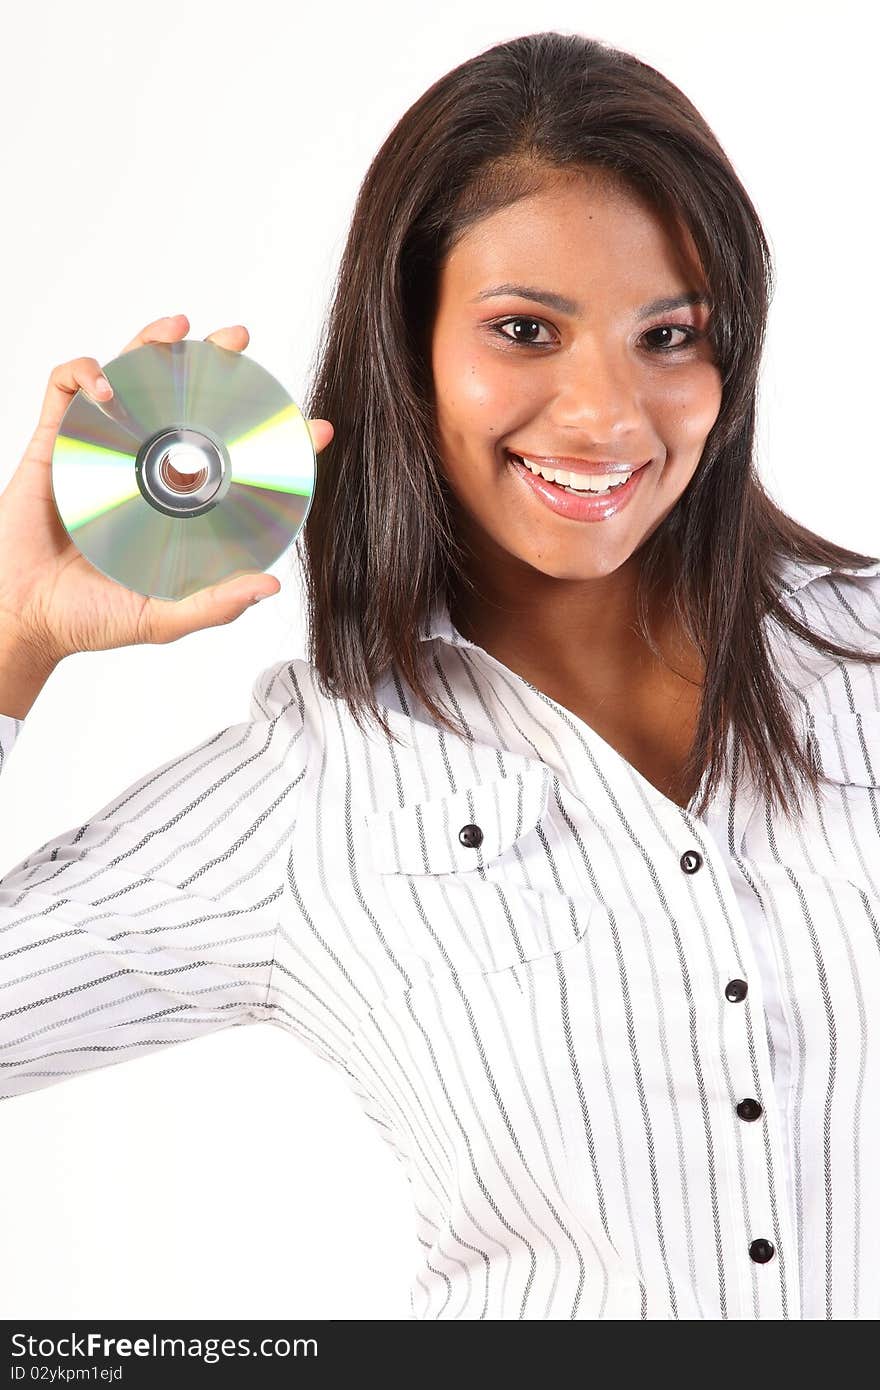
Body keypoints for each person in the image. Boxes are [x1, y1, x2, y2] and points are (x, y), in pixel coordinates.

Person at [1, 30, 879, 1322]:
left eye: (669, 335)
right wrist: (12, 641)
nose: (608, 416)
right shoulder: (312, 789)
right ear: (404, 345)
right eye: (527, 330)